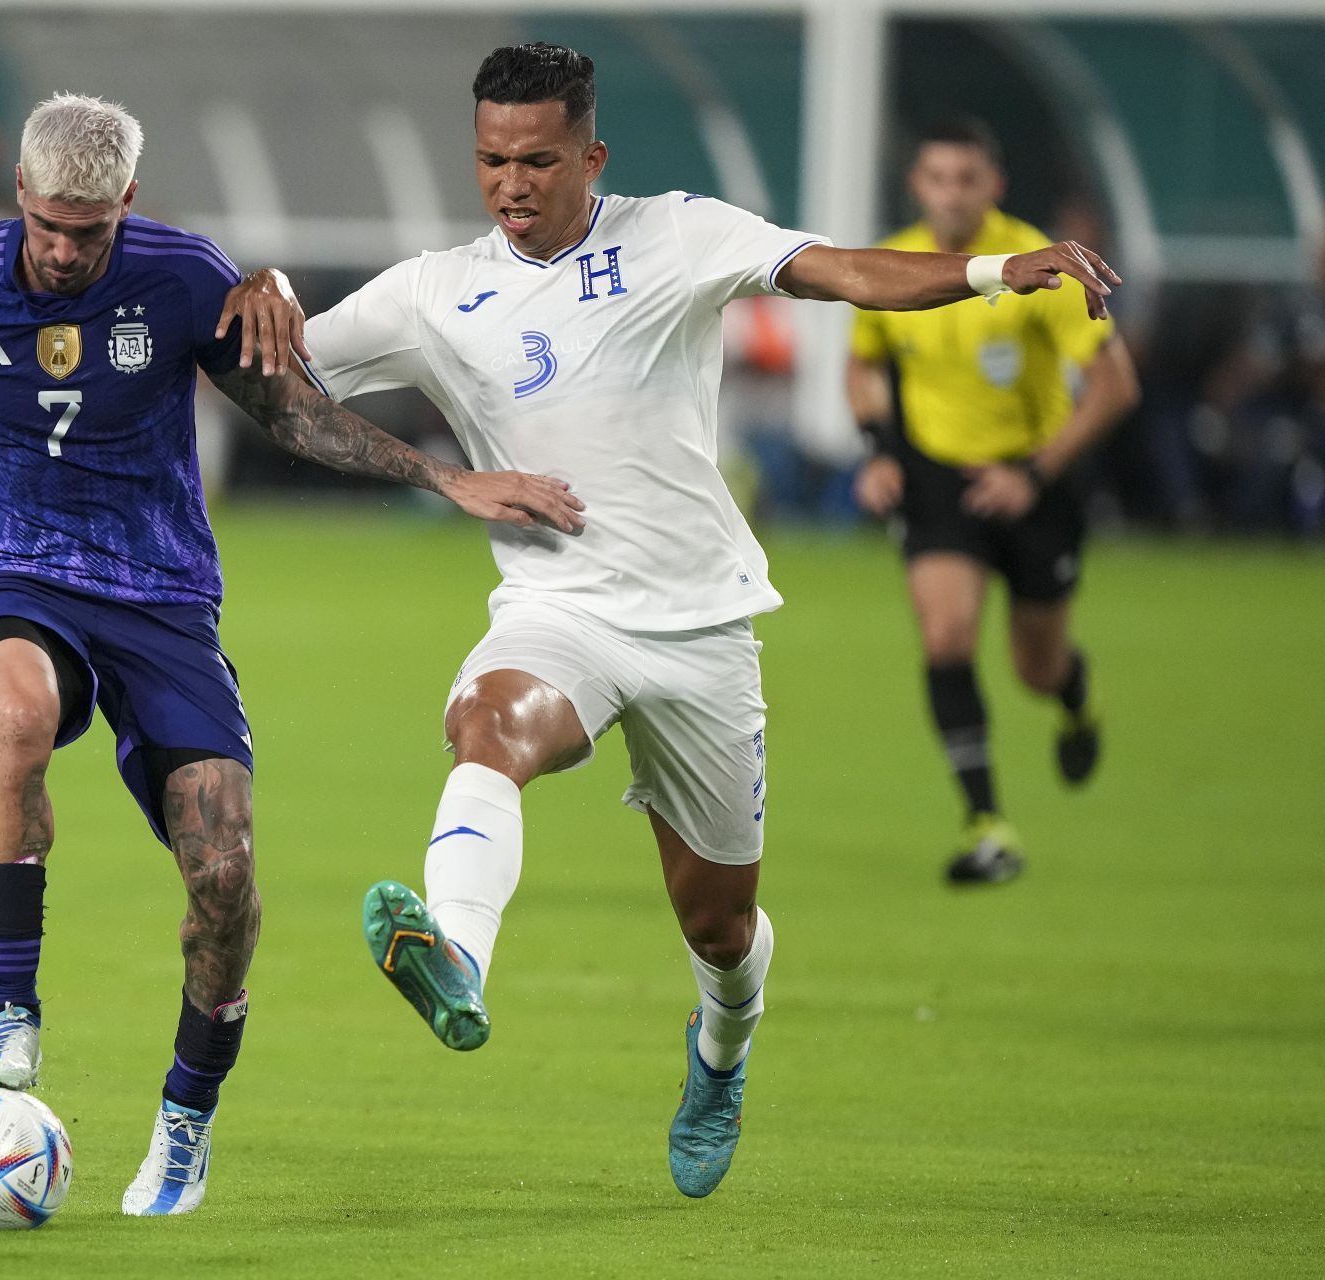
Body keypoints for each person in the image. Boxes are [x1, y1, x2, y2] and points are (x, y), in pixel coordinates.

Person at [221, 44, 1117, 1199]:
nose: (512, 183)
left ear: (590, 156)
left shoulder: (676, 235)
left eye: (539, 160)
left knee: (721, 926)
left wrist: (999, 268)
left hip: (699, 629)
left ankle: (720, 1049)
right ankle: (454, 953)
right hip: (559, 606)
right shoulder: (433, 293)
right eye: (493, 160)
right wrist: (266, 289)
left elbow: (845, 271)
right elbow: (274, 376)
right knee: (487, 722)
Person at [0, 93, 581, 1218]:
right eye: (51, 224)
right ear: (19, 193)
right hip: (16, 570)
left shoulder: (183, 279)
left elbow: (293, 414)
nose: (66, 250)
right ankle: (11, 1013)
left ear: (128, 206)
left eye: (91, 229)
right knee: (15, 721)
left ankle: (185, 1118)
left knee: (225, 877)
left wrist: (445, 477)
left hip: (162, 595)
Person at [846, 118, 1140, 884]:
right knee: (946, 637)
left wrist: (1035, 476)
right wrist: (879, 452)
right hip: (939, 477)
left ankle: (1075, 696)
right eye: (936, 178)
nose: (950, 194)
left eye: (965, 179)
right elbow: (865, 366)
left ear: (993, 186)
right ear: (918, 185)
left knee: (1035, 668)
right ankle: (988, 825)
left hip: (1037, 479)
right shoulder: (899, 264)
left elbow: (1115, 387)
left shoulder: (1039, 265)